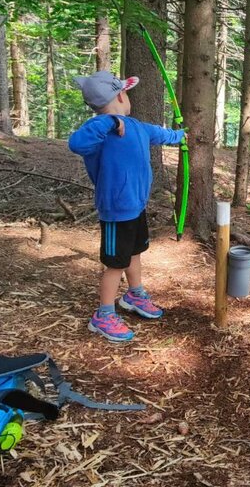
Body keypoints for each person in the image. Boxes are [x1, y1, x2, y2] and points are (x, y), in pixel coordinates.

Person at [68, 71, 185, 342]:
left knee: (134, 252)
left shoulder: (137, 127)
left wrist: (180, 136)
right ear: (121, 96)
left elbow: (162, 134)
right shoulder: (100, 129)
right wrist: (110, 121)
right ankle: (103, 314)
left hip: (136, 206)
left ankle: (134, 294)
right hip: (115, 210)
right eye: (126, 93)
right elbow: (76, 143)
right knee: (115, 264)